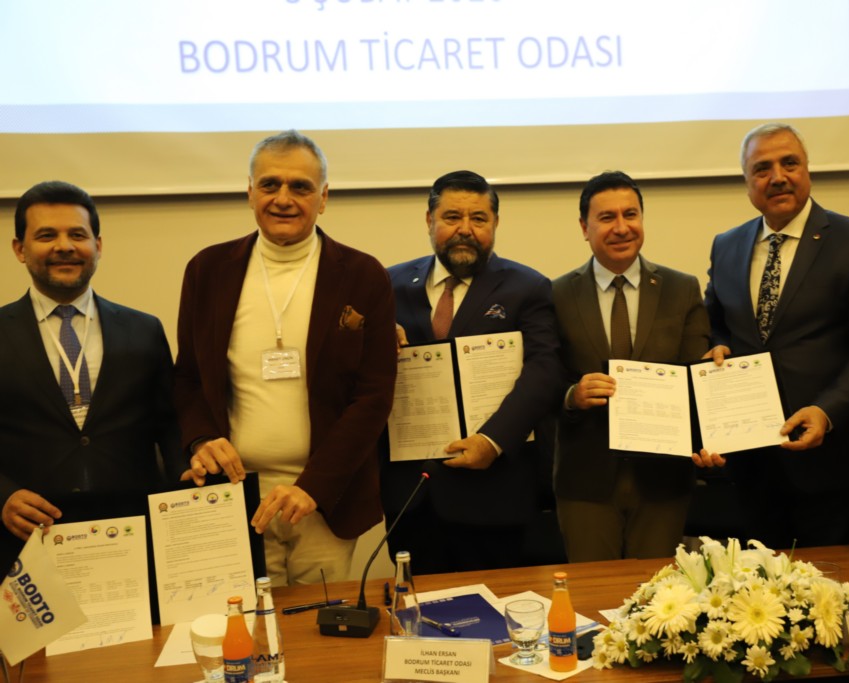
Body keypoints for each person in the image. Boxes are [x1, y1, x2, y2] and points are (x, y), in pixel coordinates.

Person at [174, 130, 397, 586]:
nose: (283, 199)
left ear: (323, 198)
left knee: (320, 624)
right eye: (269, 185)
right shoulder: (208, 270)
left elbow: (373, 397)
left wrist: (314, 486)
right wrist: (200, 440)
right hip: (236, 495)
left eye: (300, 187)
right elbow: (189, 378)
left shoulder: (363, 275)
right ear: (249, 192)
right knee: (251, 621)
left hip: (325, 499)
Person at [695, 123, 849, 548]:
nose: (777, 177)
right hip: (750, 465)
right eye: (762, 168)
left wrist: (827, 410)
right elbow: (717, 324)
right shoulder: (727, 245)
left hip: (832, 462)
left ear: (807, 169)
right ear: (747, 181)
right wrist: (716, 345)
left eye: (789, 163)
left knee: (836, 584)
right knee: (756, 586)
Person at [384, 170, 561, 573]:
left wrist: (492, 440)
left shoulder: (527, 287)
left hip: (493, 494)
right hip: (411, 495)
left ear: (495, 223)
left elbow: (544, 371)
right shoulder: (388, 284)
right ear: (429, 220)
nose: (465, 229)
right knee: (417, 606)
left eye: (478, 218)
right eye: (452, 217)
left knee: (496, 607)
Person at [1, 181, 179, 570]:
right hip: (28, 546)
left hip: (132, 539)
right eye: (46, 235)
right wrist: (3, 497)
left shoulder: (144, 330)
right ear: (19, 248)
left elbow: (170, 429)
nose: (64, 246)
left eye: (77, 235)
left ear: (98, 246)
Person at [552, 171, 709, 562]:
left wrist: (712, 434)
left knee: (659, 593)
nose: (621, 227)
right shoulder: (557, 293)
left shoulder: (681, 288)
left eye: (631, 214)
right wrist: (572, 395)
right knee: (594, 590)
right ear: (584, 227)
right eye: (607, 217)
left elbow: (697, 377)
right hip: (585, 481)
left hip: (663, 480)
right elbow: (541, 379)